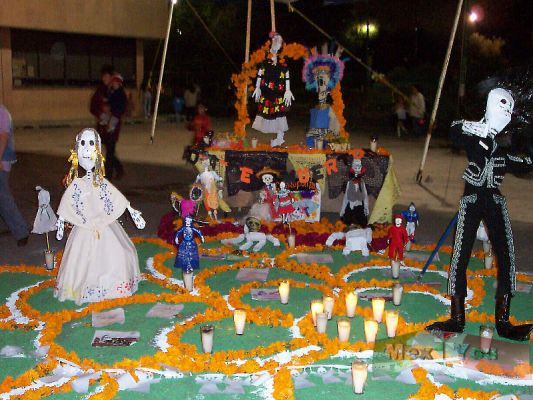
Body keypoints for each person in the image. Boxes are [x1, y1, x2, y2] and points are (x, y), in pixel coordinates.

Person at [426, 88, 533, 341]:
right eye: (502, 106)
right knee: (459, 256)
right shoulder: (474, 135)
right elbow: (453, 130)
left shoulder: (502, 147)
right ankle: (457, 318)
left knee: (506, 256)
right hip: (472, 199)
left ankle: (504, 321)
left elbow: (523, 163)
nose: (505, 112)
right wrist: (478, 129)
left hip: (494, 201)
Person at [55, 128, 146, 305]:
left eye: (91, 144)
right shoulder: (78, 184)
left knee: (121, 252)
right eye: (83, 144)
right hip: (85, 229)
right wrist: (61, 221)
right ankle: (85, 287)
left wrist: (132, 211)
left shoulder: (100, 182)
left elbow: (115, 197)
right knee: (82, 262)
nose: (87, 150)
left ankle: (114, 285)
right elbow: (68, 204)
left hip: (105, 226)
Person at [0, 104, 29, 246]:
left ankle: (21, 231)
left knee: (3, 198)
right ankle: (20, 230)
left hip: (2, 161)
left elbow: (3, 137)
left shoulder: (2, 113)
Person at [103, 73, 127, 180]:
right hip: (110, 121)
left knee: (110, 151)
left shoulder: (120, 94)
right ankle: (118, 169)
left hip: (114, 123)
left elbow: (119, 109)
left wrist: (112, 122)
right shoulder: (112, 92)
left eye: (115, 82)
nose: (113, 84)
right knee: (110, 150)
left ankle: (109, 174)